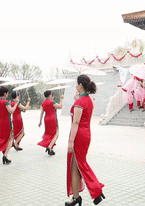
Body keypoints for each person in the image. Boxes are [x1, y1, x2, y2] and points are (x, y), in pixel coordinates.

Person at [66, 74, 105, 206]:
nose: (75, 86)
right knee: (76, 166)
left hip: (78, 136)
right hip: (85, 134)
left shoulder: (80, 102)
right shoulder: (87, 100)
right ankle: (76, 198)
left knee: (80, 164)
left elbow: (75, 122)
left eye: (77, 84)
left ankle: (96, 189)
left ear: (80, 85)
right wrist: (76, 100)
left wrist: (71, 142)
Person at [0, 86, 19, 164]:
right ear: (5, 94)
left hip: (1, 121)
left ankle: (5, 155)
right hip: (7, 122)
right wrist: (16, 104)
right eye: (7, 93)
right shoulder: (6, 102)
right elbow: (11, 111)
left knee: (3, 138)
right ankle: (5, 155)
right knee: (11, 138)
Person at [38, 90, 64, 156]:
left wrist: (40, 121)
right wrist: (62, 99)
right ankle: (49, 147)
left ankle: (51, 149)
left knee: (49, 133)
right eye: (52, 95)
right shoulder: (52, 102)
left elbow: (42, 113)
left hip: (46, 119)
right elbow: (60, 107)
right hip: (52, 119)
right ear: (50, 95)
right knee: (56, 134)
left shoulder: (43, 103)